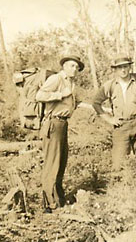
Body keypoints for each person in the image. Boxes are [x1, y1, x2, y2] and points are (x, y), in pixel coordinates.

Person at [36, 55, 85, 213]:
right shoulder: (57, 79)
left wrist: (102, 110)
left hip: (63, 124)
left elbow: (77, 103)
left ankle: (58, 199)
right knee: (52, 163)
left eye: (77, 67)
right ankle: (49, 204)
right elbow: (40, 96)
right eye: (71, 66)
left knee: (61, 162)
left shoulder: (71, 83)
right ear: (64, 66)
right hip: (53, 123)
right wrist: (59, 95)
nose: (74, 69)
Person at [92, 55, 136, 173]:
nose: (123, 70)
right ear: (115, 70)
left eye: (125, 66)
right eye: (120, 68)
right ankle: (120, 187)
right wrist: (110, 119)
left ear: (130, 67)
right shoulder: (110, 85)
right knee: (118, 162)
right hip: (121, 126)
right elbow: (96, 103)